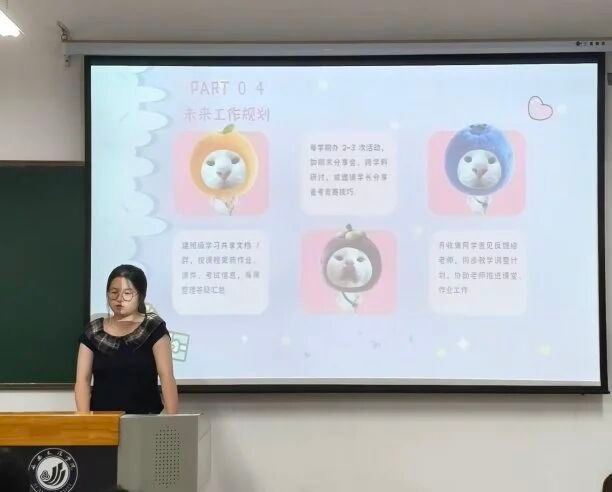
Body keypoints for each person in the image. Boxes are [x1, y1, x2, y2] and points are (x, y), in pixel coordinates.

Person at [75, 265, 178, 414]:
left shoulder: (153, 328)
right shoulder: (93, 331)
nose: (119, 299)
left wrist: (173, 421)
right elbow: (82, 380)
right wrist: (85, 420)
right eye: (114, 292)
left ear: (140, 296)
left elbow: (166, 376)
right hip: (103, 421)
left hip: (146, 420)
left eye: (127, 293)